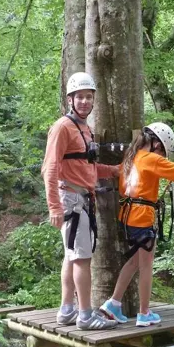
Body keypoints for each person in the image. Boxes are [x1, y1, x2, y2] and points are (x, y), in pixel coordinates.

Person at [42, 72, 120, 331]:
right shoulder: (62, 127)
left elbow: (88, 168)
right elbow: (50, 168)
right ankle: (85, 315)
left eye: (89, 97)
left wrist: (115, 170)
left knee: (72, 256)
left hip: (82, 198)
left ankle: (67, 310)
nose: (85, 101)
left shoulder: (86, 129)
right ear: (70, 99)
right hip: (71, 201)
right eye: (80, 97)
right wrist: (54, 206)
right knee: (82, 259)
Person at [99, 123, 174, 326]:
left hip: (128, 215)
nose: (162, 154)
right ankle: (144, 312)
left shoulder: (131, 157)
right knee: (146, 265)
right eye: (162, 150)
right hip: (142, 217)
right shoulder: (152, 158)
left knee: (134, 261)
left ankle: (113, 303)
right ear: (157, 144)